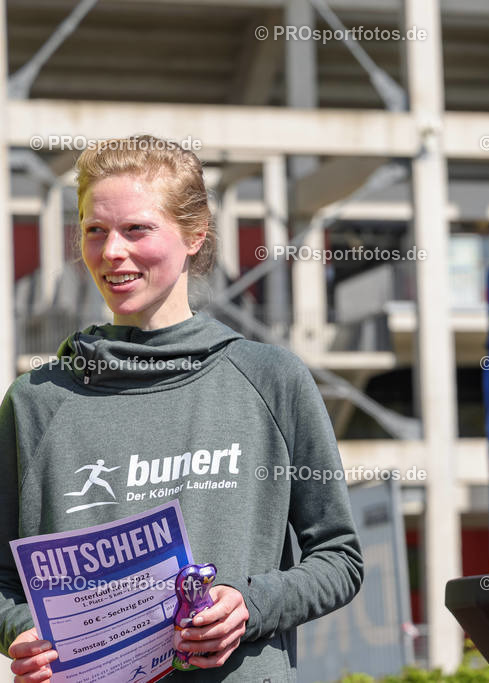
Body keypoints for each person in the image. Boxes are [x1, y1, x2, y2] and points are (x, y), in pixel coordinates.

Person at [0, 135, 364, 681]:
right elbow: (4, 583)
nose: (111, 251)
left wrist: (251, 605)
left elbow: (340, 558)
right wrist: (21, 634)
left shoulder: (273, 379)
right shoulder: (37, 401)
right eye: (94, 231)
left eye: (136, 229)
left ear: (195, 236)